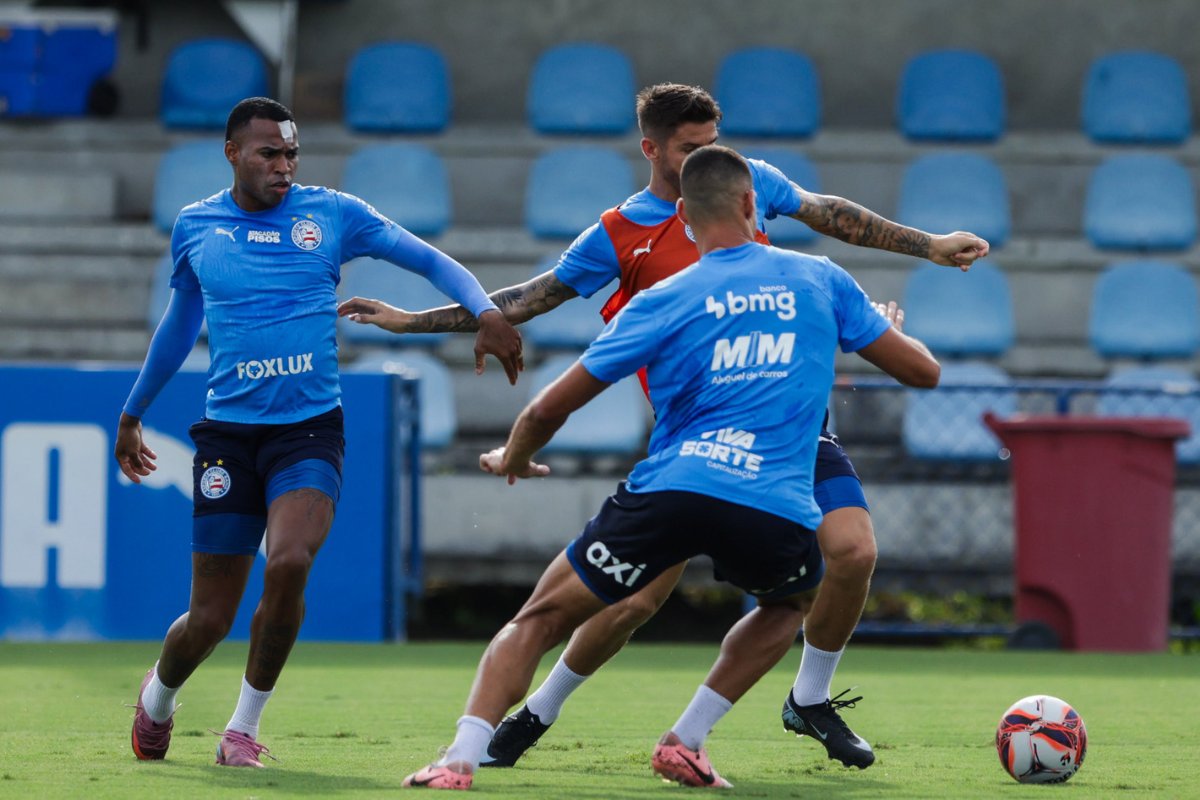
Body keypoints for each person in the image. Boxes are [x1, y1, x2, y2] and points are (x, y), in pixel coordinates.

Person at [340, 83, 988, 770]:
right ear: (652, 150)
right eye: (691, 147)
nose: (708, 154)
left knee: (853, 552)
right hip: (688, 437)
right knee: (632, 603)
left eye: (713, 143)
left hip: (791, 433)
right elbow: (527, 300)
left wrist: (929, 246)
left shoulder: (743, 179)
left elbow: (829, 212)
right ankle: (538, 711)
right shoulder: (619, 235)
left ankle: (809, 698)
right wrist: (413, 322)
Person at [117, 96, 523, 768]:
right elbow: (180, 324)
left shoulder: (332, 213)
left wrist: (485, 309)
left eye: (291, 154)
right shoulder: (196, 227)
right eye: (268, 154)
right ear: (232, 154)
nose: (283, 167)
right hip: (228, 435)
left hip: (308, 432)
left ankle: (242, 730)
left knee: (291, 562)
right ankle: (158, 698)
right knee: (209, 620)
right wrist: (133, 413)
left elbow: (429, 260)